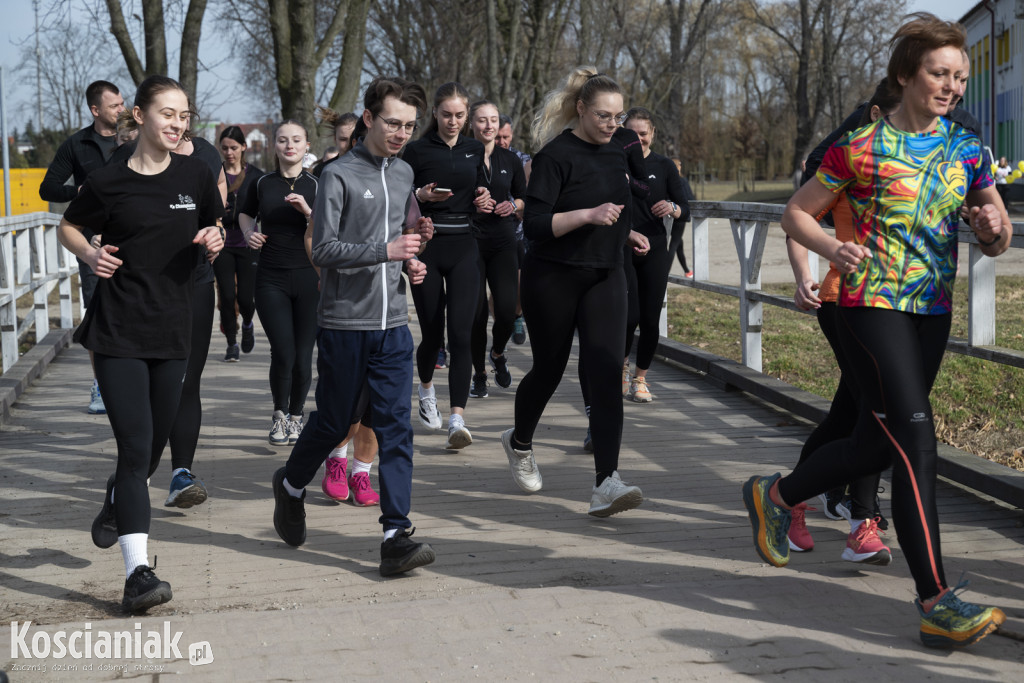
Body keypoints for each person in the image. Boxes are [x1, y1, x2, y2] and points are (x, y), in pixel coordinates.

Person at [743, 13, 1010, 648]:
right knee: (917, 440)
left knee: (876, 442)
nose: (951, 86)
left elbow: (995, 229)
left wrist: (990, 230)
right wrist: (833, 252)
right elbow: (795, 213)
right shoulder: (859, 147)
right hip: (868, 304)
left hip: (931, 309)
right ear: (905, 76)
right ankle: (936, 600)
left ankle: (777, 495)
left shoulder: (966, 148)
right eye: (939, 74)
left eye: (960, 77)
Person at [57, 75, 224, 612]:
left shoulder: (197, 173)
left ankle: (114, 500)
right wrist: (89, 255)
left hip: (173, 330)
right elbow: (68, 226)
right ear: (140, 117)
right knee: (135, 450)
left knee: (151, 451)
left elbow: (213, 226)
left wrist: (215, 238)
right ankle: (138, 575)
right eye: (167, 114)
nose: (177, 124)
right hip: (118, 332)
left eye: (184, 116)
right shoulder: (108, 181)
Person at [271, 75, 437, 577]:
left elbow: (402, 233)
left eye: (409, 125)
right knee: (333, 419)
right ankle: (291, 484)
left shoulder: (406, 174)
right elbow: (322, 250)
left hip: (393, 323)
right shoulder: (337, 175)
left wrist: (411, 257)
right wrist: (384, 252)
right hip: (344, 323)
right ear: (368, 119)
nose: (401, 133)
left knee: (394, 424)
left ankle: (395, 533)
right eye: (392, 122)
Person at [501, 67, 648, 517]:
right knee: (549, 368)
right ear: (581, 109)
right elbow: (537, 225)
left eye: (618, 117)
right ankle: (519, 440)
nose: (612, 124)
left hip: (607, 274)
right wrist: (588, 215)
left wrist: (625, 233)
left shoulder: (620, 149)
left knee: (607, 370)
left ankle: (607, 481)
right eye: (604, 116)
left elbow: (621, 200)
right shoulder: (555, 155)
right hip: (555, 275)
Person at [784, 79, 901, 562]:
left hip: (898, 305)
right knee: (874, 410)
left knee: (848, 413)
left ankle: (785, 498)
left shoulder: (914, 163)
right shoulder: (850, 159)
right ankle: (861, 522)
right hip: (845, 301)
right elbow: (796, 217)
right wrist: (803, 277)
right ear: (878, 114)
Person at [403, 82, 493, 450]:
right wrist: (420, 196)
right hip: (428, 245)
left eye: (459, 115)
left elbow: (481, 191)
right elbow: (398, 198)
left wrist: (484, 198)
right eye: (446, 114)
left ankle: (457, 418)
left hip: (465, 246)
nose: (453, 121)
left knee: (461, 334)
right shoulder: (417, 150)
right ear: (434, 114)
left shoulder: (475, 149)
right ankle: (426, 390)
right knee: (432, 334)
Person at [39, 80, 126, 415]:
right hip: (91, 244)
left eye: (122, 103)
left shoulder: (135, 140)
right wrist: (80, 192)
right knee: (98, 314)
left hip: (136, 239)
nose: (121, 109)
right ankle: (100, 384)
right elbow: (48, 188)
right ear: (95, 110)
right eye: (114, 105)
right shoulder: (77, 145)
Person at [240, 121, 319, 447]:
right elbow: (244, 214)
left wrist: (307, 212)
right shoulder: (261, 183)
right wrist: (248, 234)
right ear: (274, 145)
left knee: (303, 356)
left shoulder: (318, 183)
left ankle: (297, 417)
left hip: (309, 277)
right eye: (283, 140)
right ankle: (279, 415)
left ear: (306, 145)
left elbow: (330, 227)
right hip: (270, 277)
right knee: (283, 351)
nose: (289, 145)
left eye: (296, 140)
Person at [621, 108, 689, 404]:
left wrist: (672, 208)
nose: (638, 140)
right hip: (621, 247)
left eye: (643, 134)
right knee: (628, 315)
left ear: (653, 134)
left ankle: (640, 379)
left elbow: (685, 207)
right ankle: (620, 368)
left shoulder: (664, 166)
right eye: (631, 134)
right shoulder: (615, 163)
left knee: (650, 318)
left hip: (655, 247)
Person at [467, 101, 527, 398]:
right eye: (482, 120)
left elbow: (524, 198)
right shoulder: (463, 157)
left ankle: (498, 353)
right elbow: (448, 198)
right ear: (472, 124)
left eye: (493, 120)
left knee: (506, 310)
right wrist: (472, 201)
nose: (488, 126)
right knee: (476, 314)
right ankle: (478, 373)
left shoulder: (511, 159)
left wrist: (514, 204)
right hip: (471, 241)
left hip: (504, 240)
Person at [216, 126, 263, 362]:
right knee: (226, 296)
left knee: (245, 298)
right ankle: (231, 343)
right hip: (222, 245)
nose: (229, 152)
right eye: (224, 148)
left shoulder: (256, 176)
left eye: (233, 148)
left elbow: (264, 208)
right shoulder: (215, 173)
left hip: (247, 244)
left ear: (243, 147)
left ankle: (246, 323)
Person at [496, 113, 532, 346]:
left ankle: (516, 316)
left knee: (519, 284)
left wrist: (522, 206)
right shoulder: (477, 157)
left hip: (517, 233)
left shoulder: (522, 159)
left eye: (505, 137)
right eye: (497, 137)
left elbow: (534, 194)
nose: (501, 142)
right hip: (483, 233)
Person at [665, 158, 695, 278]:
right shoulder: (682, 181)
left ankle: (687, 270)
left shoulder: (666, 180)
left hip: (667, 215)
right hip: (679, 215)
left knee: (678, 244)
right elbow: (690, 198)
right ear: (679, 167)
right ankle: (664, 273)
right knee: (674, 244)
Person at [312, 109, 359, 176]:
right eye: (343, 139)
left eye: (353, 139)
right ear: (335, 139)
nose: (349, 144)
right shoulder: (322, 170)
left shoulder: (372, 169)